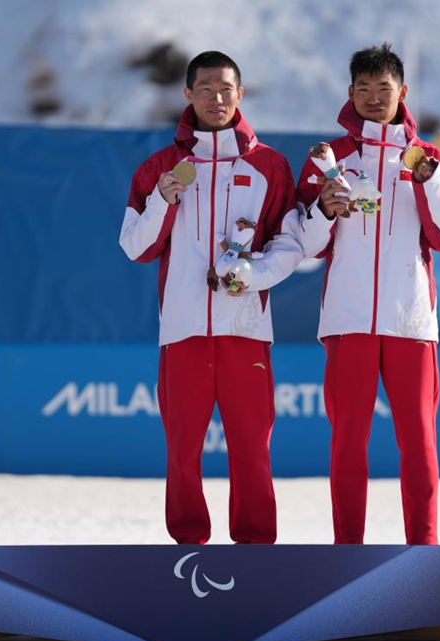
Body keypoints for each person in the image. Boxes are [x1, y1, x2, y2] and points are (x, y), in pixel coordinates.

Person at [119, 51, 302, 545]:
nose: (216, 98)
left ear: (240, 94)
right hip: (183, 331)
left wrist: (254, 274)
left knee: (251, 449)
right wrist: (161, 200)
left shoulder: (270, 166)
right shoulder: (160, 168)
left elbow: (290, 243)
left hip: (245, 331)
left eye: (226, 89)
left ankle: (257, 549)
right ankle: (188, 549)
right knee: (182, 450)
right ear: (188, 95)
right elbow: (136, 247)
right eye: (205, 89)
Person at [295, 44, 440, 545]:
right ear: (350, 93)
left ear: (402, 93)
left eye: (383, 88)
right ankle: (347, 550)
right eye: (364, 89)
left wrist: (428, 182)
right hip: (348, 322)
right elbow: (305, 247)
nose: (374, 98)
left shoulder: (433, 160)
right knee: (348, 443)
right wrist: (324, 209)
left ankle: (425, 550)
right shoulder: (330, 159)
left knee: (418, 444)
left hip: (410, 322)